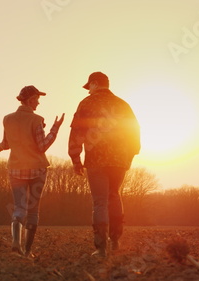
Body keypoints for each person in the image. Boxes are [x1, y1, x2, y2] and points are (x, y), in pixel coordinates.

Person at [68, 72, 140, 257]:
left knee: (99, 201)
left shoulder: (87, 103)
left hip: (96, 159)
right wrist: (130, 155)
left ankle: (101, 248)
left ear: (94, 83)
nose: (88, 90)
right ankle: (115, 241)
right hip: (119, 160)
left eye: (89, 86)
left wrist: (75, 158)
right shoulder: (123, 105)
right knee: (114, 195)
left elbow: (77, 131)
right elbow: (134, 132)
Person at [0, 85, 64, 257]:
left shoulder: (7, 119)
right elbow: (42, 146)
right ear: (31, 100)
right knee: (33, 210)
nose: (39, 103)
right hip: (36, 169)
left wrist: (2, 146)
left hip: (16, 169)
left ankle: (15, 242)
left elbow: (7, 142)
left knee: (19, 207)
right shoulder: (36, 120)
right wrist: (55, 129)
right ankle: (27, 251)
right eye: (37, 99)